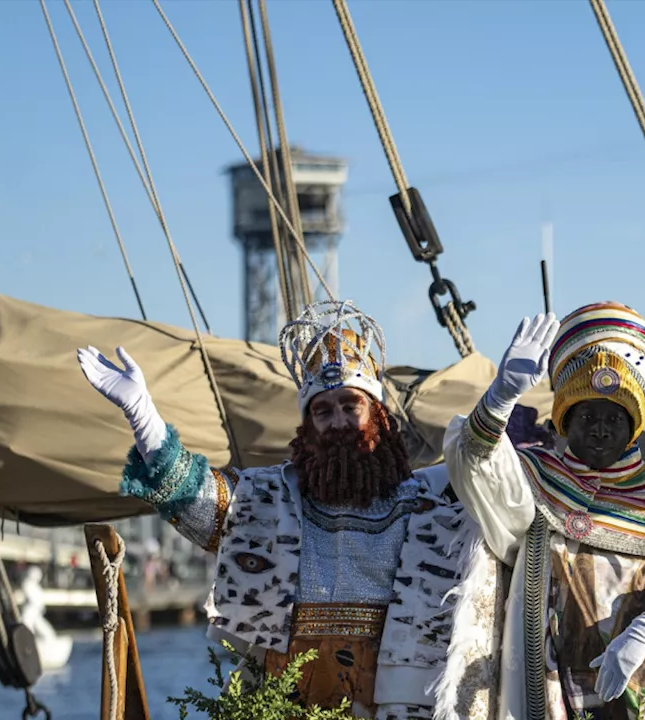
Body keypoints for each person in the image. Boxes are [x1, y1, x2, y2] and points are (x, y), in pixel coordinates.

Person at [77, 300, 462, 719]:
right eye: (323, 411)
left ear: (377, 415)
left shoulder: (428, 503)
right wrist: (145, 420)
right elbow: (198, 500)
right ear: (308, 427)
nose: (337, 422)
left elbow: (501, 504)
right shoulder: (273, 498)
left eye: (351, 406)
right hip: (283, 701)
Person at [440, 302, 645, 719]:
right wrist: (501, 396)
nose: (599, 428)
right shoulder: (535, 483)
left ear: (634, 425)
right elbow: (475, 468)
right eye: (586, 413)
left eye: (615, 416)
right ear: (563, 419)